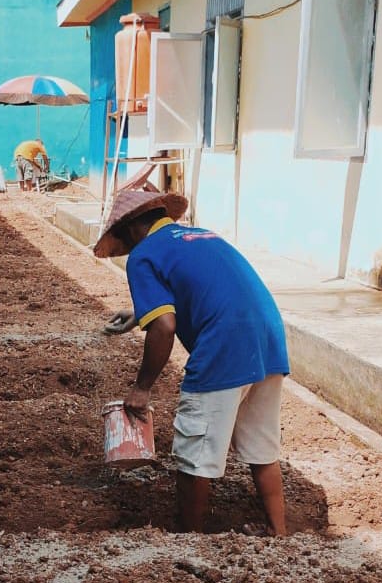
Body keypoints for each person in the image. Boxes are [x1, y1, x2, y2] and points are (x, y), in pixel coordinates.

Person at [96, 190, 290, 536]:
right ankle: (278, 531)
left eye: (125, 241)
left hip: (224, 343)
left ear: (131, 230)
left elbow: (165, 325)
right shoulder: (200, 234)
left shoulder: (143, 255)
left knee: (195, 450)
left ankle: (188, 537)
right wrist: (139, 315)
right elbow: (200, 291)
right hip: (269, 336)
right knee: (262, 445)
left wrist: (142, 388)